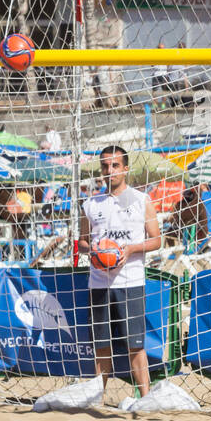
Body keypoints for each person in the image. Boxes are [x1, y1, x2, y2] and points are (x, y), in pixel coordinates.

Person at [75, 145, 161, 406]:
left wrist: (131, 249)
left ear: (125, 168)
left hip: (130, 281)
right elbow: (82, 242)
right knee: (101, 345)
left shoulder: (140, 200)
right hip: (99, 283)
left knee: (136, 345)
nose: (109, 171)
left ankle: (144, 399)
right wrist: (95, 252)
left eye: (114, 166)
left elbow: (157, 240)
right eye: (104, 166)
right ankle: (97, 399)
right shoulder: (90, 204)